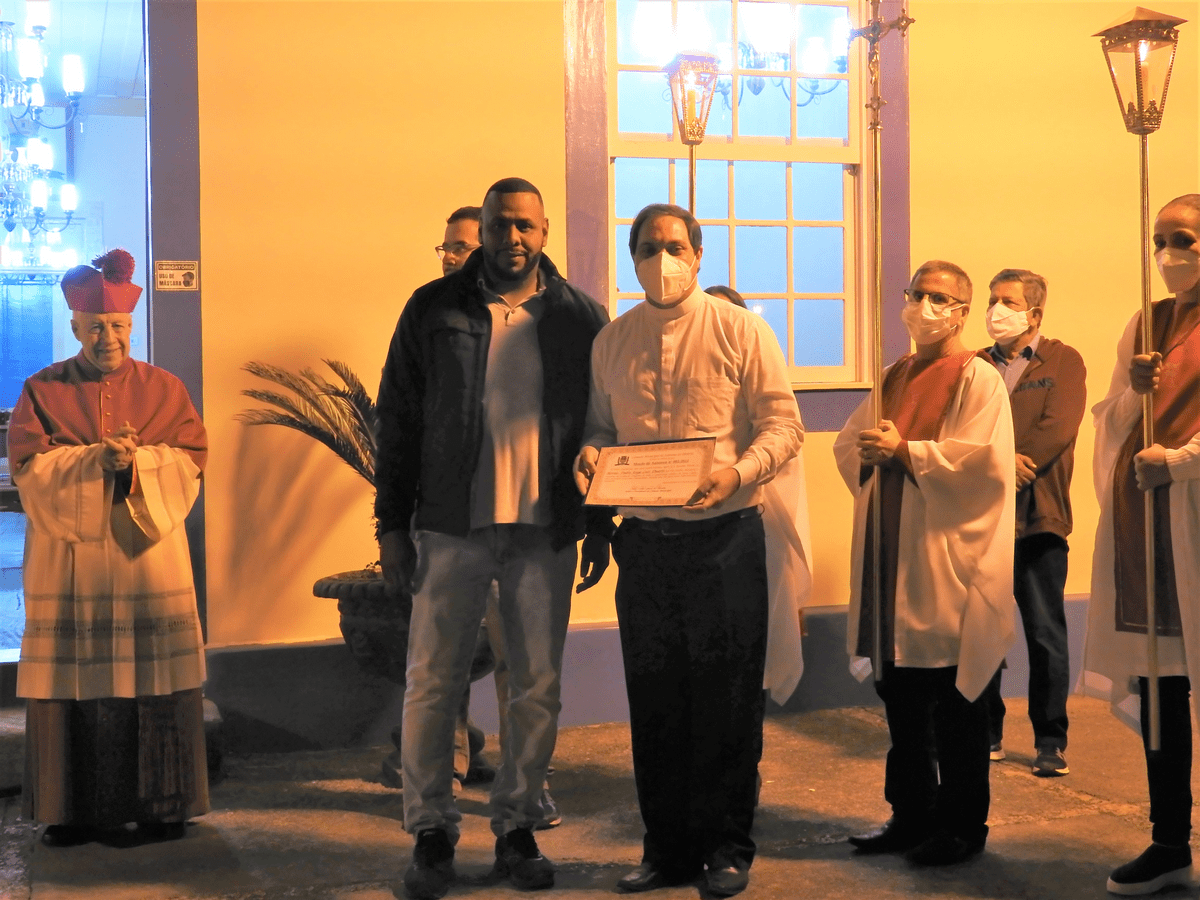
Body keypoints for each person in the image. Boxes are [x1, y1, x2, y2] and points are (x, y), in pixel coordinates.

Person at [375, 177, 612, 899]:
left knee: (537, 686)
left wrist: (599, 522)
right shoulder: (432, 308)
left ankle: (517, 825)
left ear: (544, 232)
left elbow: (603, 424)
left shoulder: (580, 316)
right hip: (452, 527)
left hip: (545, 531)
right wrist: (391, 526)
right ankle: (431, 831)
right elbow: (398, 419)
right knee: (432, 682)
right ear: (480, 230)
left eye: (525, 226)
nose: (513, 238)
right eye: (500, 224)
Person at [576, 203, 806, 897]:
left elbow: (783, 426)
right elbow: (599, 428)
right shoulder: (612, 341)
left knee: (727, 700)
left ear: (699, 255)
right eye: (649, 247)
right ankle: (667, 851)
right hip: (645, 546)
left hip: (725, 542)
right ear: (632, 257)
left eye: (676, 246)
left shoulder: (742, 330)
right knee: (655, 702)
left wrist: (736, 474)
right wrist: (589, 457)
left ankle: (727, 848)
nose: (663, 260)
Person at [7, 249, 209, 847]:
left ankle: (163, 806)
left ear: (131, 326)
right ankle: (71, 811)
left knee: (155, 674)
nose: (108, 338)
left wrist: (139, 464)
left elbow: (192, 458)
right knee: (74, 679)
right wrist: (94, 461)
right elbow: (27, 465)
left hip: (146, 555)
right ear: (75, 327)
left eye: (117, 326)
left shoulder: (164, 388)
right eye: (95, 327)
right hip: (70, 560)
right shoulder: (42, 388)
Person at [834, 260, 1015, 866]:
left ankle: (962, 826)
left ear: (962, 312)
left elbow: (982, 465)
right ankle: (910, 814)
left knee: (955, 707)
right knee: (902, 703)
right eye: (917, 294)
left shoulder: (979, 378)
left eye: (941, 297)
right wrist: (868, 451)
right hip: (890, 562)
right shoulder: (894, 374)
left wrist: (905, 451)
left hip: (944, 569)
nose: (925, 306)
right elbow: (850, 443)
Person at [1084, 194, 1200, 896]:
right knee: (1162, 684)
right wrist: (1134, 389)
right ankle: (1169, 840)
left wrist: (1182, 462)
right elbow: (1115, 419)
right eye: (1159, 240)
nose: (1167, 254)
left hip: (1194, 512)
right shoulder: (1147, 321)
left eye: (1182, 238)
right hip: (1148, 523)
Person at [978, 269, 1086, 776]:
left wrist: (1018, 463)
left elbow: (1058, 426)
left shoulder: (1063, 361)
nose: (996, 310)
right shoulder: (976, 365)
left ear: (1035, 313)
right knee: (983, 630)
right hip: (983, 518)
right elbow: (966, 431)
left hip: (1040, 516)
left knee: (1045, 633)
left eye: (1008, 301)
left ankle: (1050, 739)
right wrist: (999, 463)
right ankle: (986, 731)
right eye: (992, 300)